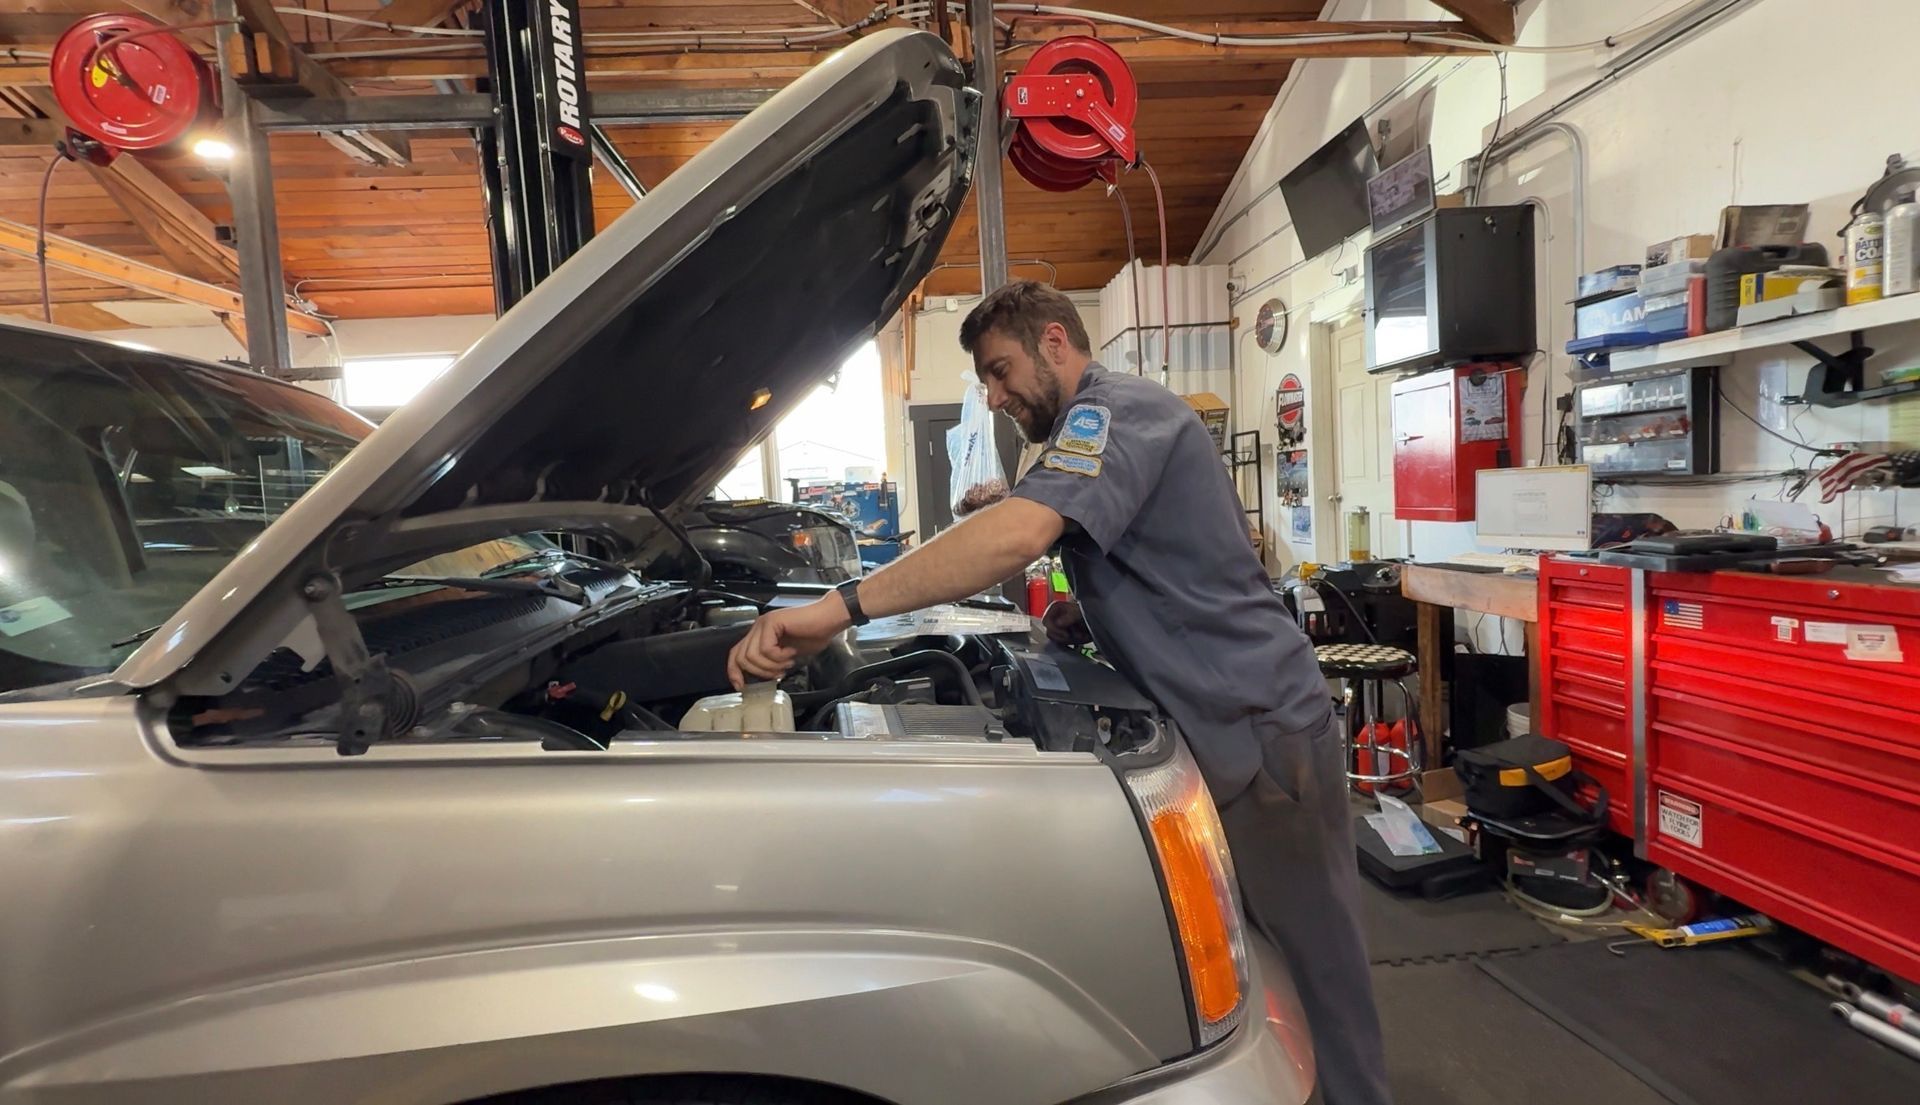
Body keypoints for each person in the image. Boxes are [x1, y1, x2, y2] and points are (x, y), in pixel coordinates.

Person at [727, 280, 1391, 1105]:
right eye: (986, 383)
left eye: (1002, 372)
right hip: (1226, 719)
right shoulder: (1093, 430)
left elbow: (1020, 537)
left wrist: (839, 609)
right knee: (1254, 961)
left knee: (1319, 967)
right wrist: (1090, 609)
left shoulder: (1112, 411)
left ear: (1054, 341)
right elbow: (1151, 554)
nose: (996, 396)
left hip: (1259, 724)